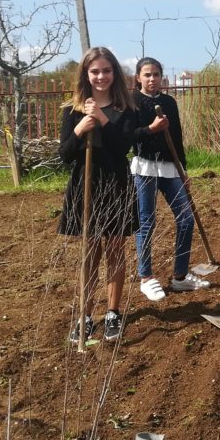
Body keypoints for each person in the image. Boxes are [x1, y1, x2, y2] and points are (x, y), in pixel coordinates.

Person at [58, 46, 138, 342]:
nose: (101, 76)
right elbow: (64, 155)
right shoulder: (72, 109)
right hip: (86, 185)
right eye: (95, 71)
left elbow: (122, 149)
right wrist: (80, 128)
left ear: (114, 73)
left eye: (106, 70)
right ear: (86, 74)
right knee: (90, 251)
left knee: (115, 248)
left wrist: (102, 121)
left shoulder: (125, 109)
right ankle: (86, 315)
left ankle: (113, 313)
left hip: (116, 182)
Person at [131, 56, 200, 302]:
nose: (152, 79)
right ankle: (146, 278)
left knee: (186, 219)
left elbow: (177, 137)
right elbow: (130, 136)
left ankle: (180, 276)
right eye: (147, 75)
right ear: (138, 77)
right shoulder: (132, 101)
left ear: (162, 77)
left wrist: (183, 170)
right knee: (146, 223)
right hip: (145, 168)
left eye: (156, 74)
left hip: (171, 168)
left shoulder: (169, 102)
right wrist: (151, 129)